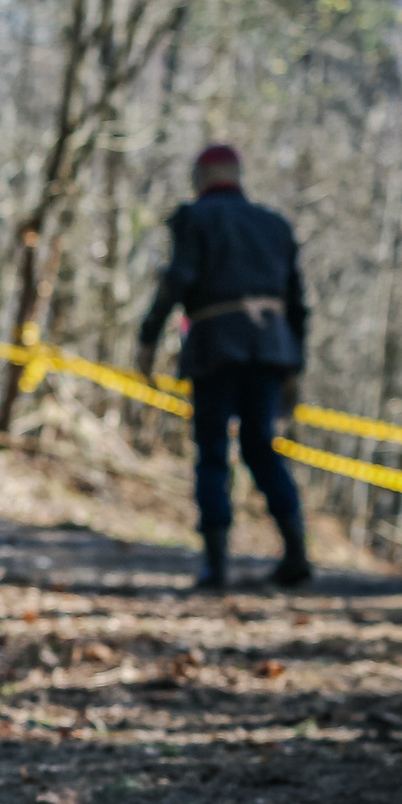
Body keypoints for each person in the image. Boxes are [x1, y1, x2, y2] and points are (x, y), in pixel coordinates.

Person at [134, 143, 312, 592]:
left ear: (203, 176)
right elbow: (298, 304)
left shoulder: (195, 218)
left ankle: (217, 565)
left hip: (216, 344)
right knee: (260, 446)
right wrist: (294, 362)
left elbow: (178, 280)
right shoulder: (275, 225)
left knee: (213, 449)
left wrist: (147, 338)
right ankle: (296, 552)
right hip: (272, 348)